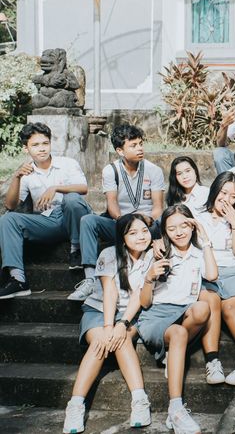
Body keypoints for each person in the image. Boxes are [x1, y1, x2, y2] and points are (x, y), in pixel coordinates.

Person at [62, 213, 153, 434]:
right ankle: (75, 405)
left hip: (131, 313)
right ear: (122, 238)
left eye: (144, 231)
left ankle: (139, 401)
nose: (141, 236)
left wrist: (122, 323)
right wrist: (109, 326)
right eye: (133, 233)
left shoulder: (152, 256)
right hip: (99, 310)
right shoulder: (109, 254)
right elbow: (109, 292)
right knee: (101, 342)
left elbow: (138, 296)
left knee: (121, 341)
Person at [138, 205, 217, 434]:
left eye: (184, 225)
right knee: (179, 333)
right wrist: (149, 278)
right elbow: (144, 303)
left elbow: (212, 275)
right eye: (172, 228)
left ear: (192, 225)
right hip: (156, 316)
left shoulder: (198, 253)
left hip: (183, 311)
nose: (179, 232)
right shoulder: (157, 253)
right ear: (164, 231)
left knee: (203, 307)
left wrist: (205, 238)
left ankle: (174, 352)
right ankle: (176, 409)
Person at [0, 122, 92, 300]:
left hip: (74, 219)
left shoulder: (67, 163)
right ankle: (18, 280)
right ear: (26, 148)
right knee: (7, 219)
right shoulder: (26, 173)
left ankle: (76, 250)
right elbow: (11, 205)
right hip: (48, 221)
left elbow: (83, 188)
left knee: (72, 199)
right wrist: (17, 177)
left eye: (45, 143)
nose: (42, 149)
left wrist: (56, 188)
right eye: (35, 145)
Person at [76, 124, 165, 302]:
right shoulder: (111, 170)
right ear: (120, 151)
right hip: (120, 223)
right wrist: (125, 221)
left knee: (160, 222)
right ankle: (89, 278)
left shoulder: (153, 170)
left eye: (141, 143)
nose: (140, 148)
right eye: (133, 145)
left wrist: (145, 220)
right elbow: (112, 205)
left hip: (148, 224)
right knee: (88, 220)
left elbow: (157, 207)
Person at [194, 172, 235, 386]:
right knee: (211, 303)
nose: (227, 199)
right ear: (215, 190)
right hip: (207, 271)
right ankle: (213, 362)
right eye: (224, 192)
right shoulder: (198, 215)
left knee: (230, 308)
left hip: (233, 271)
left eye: (233, 196)